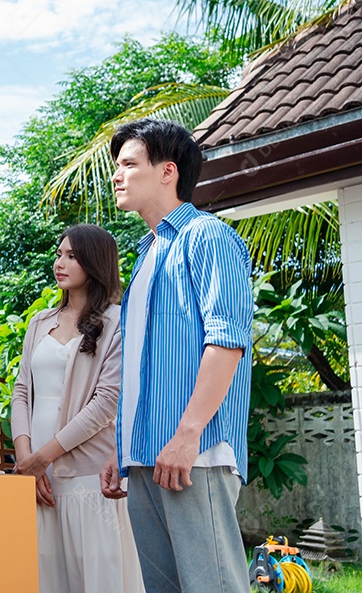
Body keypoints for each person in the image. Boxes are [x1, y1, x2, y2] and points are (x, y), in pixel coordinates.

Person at [99, 119, 253, 593]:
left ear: (168, 171)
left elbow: (226, 341)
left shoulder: (206, 237)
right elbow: (144, 363)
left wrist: (188, 437)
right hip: (146, 456)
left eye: (128, 164)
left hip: (195, 454)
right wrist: (122, 447)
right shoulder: (146, 255)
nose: (116, 175)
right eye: (116, 166)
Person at [11, 224, 144, 593]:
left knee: (97, 580)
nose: (60, 262)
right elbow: (21, 391)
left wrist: (44, 456)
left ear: (95, 263)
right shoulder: (38, 323)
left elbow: (106, 403)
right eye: (59, 254)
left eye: (72, 256)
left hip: (86, 475)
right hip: (38, 477)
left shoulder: (117, 322)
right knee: (45, 578)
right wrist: (28, 461)